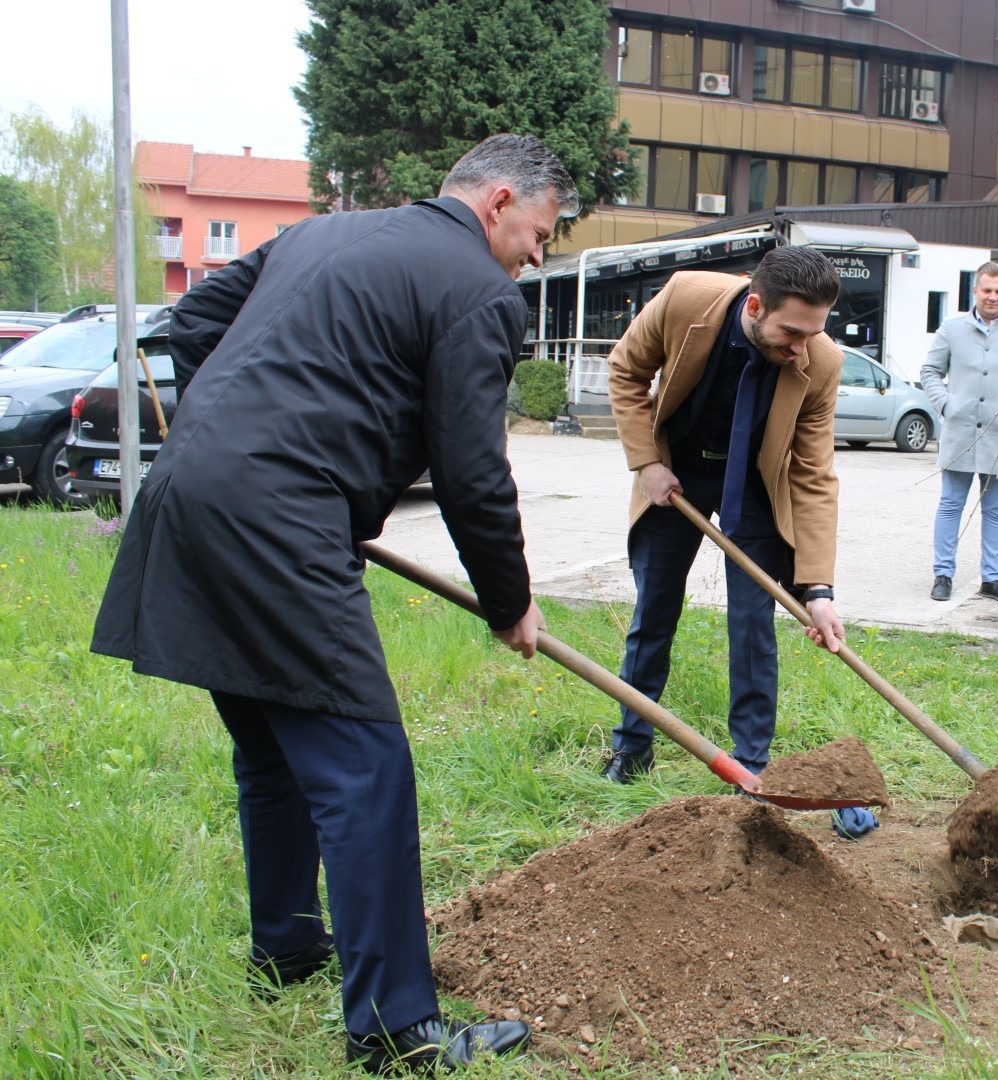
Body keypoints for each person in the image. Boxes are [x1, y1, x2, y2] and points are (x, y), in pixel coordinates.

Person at [90, 135, 574, 1073]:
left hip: (189, 489)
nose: (536, 256)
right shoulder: (478, 292)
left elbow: (192, 326)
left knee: (275, 747)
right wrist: (508, 602)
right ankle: (396, 1031)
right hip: (275, 516)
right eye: (539, 234)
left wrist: (245, 442)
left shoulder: (324, 235)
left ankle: (287, 950)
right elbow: (474, 472)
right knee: (365, 765)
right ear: (499, 200)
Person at [603, 245, 848, 786]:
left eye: (814, 333)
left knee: (753, 623)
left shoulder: (822, 360)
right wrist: (647, 462)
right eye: (793, 333)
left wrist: (818, 588)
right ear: (756, 307)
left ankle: (750, 764)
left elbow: (812, 474)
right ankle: (632, 747)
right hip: (677, 471)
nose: (803, 347)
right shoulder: (685, 299)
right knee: (655, 611)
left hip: (756, 486)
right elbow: (626, 370)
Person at [921, 260, 998, 603]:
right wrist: (946, 404)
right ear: (975, 291)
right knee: (950, 504)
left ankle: (992, 578)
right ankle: (942, 574)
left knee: (996, 510)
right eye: (986, 290)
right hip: (959, 432)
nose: (992, 297)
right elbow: (930, 370)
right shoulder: (951, 328)